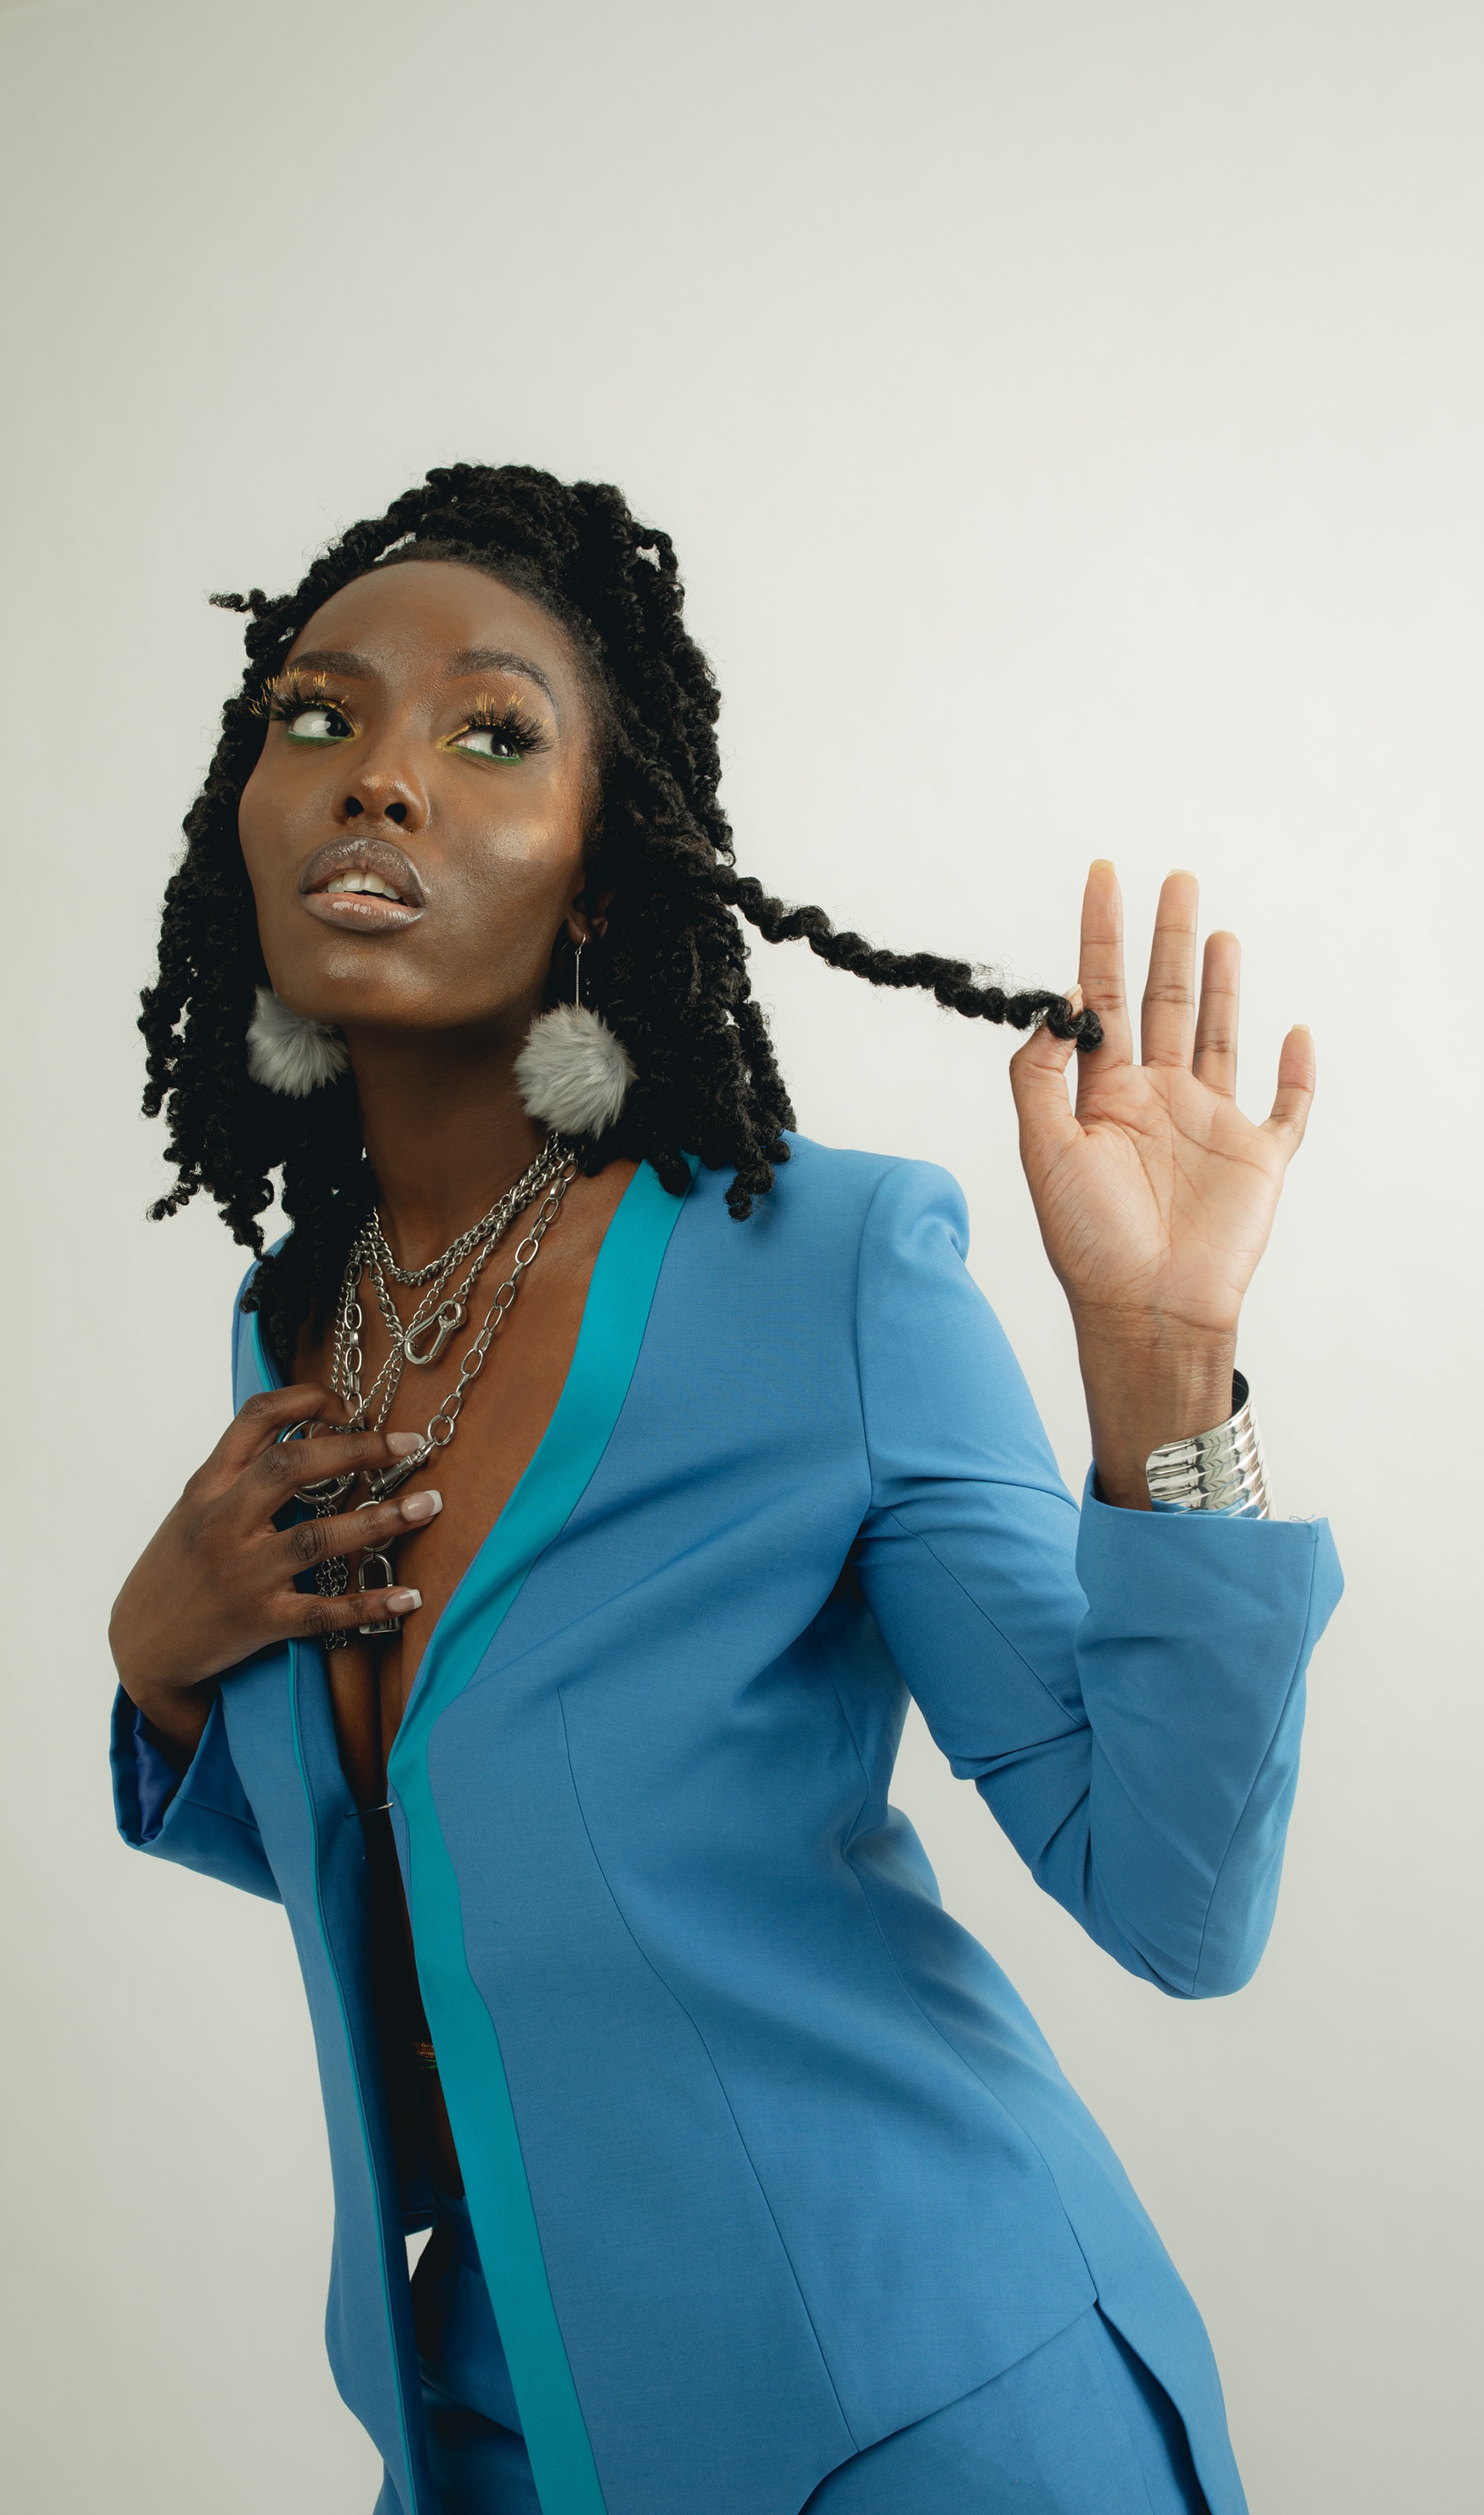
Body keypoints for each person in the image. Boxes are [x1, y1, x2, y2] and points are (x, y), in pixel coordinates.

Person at [109, 464, 1340, 2515]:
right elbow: (436, 1858)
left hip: (919, 2409)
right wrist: (157, 1669)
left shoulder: (830, 1271)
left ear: (604, 870)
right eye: (315, 715)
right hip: (508, 2413)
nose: (378, 776)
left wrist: (1159, 1366)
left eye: (490, 733)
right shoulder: (295, 1328)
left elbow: (1176, 1901)